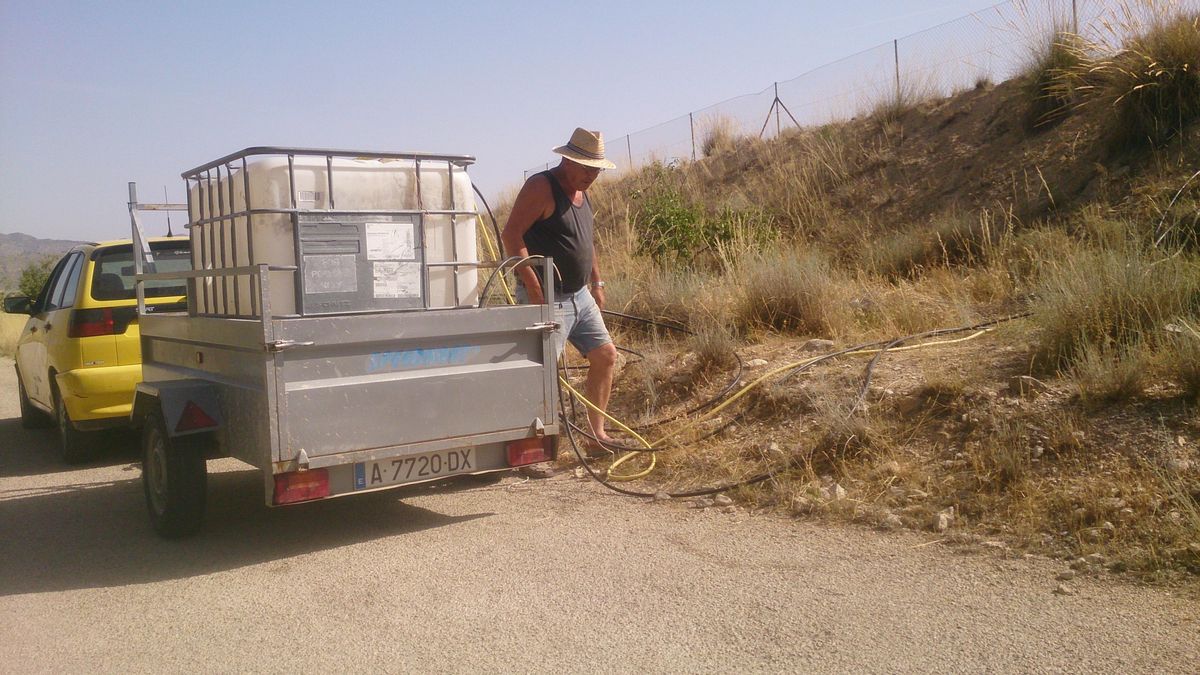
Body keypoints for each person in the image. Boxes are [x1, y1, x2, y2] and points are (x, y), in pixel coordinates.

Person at [501, 127, 619, 465]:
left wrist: (597, 283)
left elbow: (587, 242)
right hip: (547, 298)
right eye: (584, 167)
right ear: (566, 159)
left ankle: (597, 435)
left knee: (606, 356)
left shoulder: (583, 194)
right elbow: (512, 235)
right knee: (540, 375)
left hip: (580, 295)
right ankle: (529, 448)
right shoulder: (542, 187)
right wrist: (534, 285)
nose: (589, 175)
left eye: (595, 169)